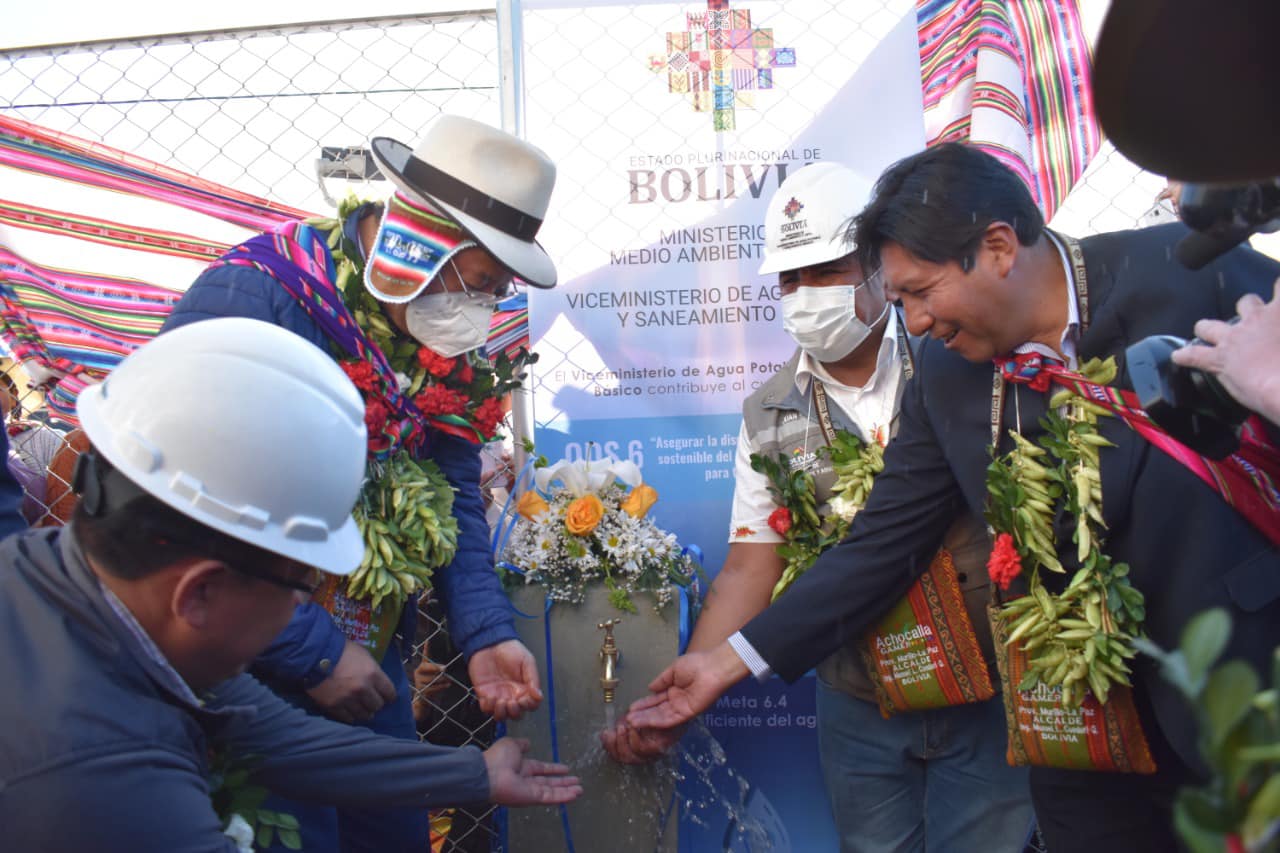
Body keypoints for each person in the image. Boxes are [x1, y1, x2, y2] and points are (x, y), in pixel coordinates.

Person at [624, 143, 1280, 853]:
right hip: (1080, 726)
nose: (913, 322)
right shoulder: (945, 373)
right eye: (898, 300)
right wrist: (724, 662)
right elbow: (881, 544)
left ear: (997, 248)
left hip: (1241, 690)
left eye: (919, 292)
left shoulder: (1193, 272)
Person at [0, 317, 581, 852]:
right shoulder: (106, 790)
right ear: (199, 594)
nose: (305, 610)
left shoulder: (65, 588)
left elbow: (273, 735)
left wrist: (475, 774)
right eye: (304, 583)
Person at [601, 162, 1032, 851]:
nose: (805, 294)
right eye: (789, 279)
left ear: (879, 269)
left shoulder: (954, 357)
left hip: (984, 684)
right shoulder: (768, 413)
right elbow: (750, 569)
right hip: (859, 697)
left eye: (826, 271)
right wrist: (693, 683)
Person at [160, 114, 553, 851]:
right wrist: (309, 651)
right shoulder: (257, 298)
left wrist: (486, 632)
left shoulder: (437, 342)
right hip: (247, 665)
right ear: (421, 242)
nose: (482, 310)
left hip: (367, 657)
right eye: (479, 283)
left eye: (496, 292)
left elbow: (455, 499)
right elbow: (179, 505)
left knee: (394, 833)